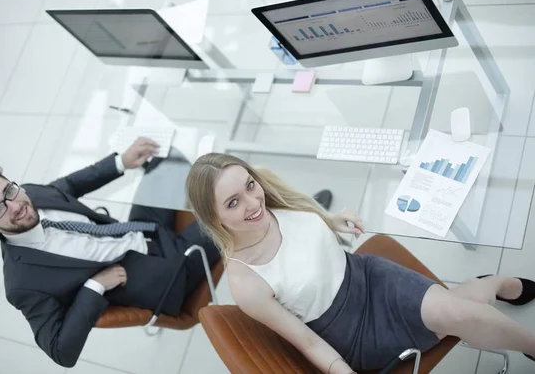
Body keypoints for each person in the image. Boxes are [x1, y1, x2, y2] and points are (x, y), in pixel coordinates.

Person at [185, 153, 535, 374]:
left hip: (367, 276)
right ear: (212, 217)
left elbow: (303, 220)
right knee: (466, 310)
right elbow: (305, 342)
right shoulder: (246, 282)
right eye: (233, 203)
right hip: (351, 332)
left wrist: (331, 219)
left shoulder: (269, 197)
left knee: (464, 315)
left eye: (249, 185)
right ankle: (494, 284)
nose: (252, 203)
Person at [0, 137, 222, 368]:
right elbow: (61, 352)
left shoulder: (28, 194)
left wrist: (121, 162)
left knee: (166, 158)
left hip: (137, 230)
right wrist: (94, 287)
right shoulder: (22, 284)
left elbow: (65, 186)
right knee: (225, 210)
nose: (15, 206)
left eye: (9, 191)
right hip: (165, 271)